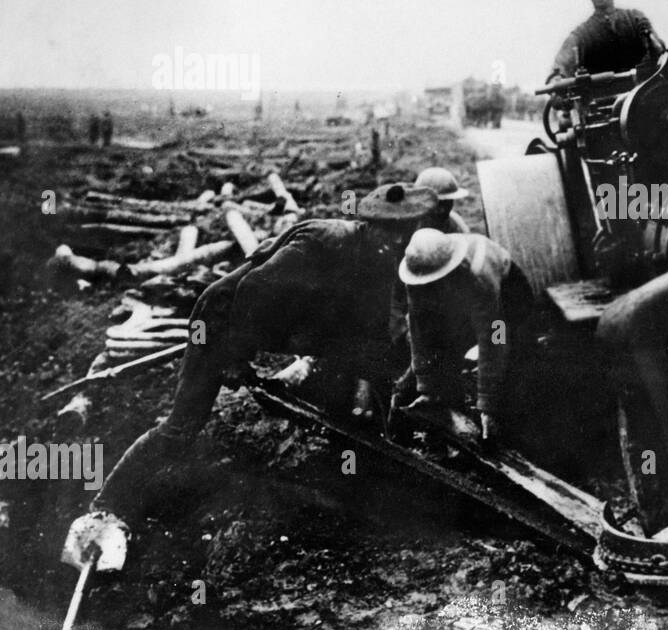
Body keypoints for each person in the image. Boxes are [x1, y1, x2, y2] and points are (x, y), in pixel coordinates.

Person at [64, 183, 440, 564]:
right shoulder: (323, 242)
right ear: (368, 224)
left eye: (404, 236)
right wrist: (235, 356)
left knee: (353, 372)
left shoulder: (379, 260)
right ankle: (104, 508)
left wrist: (375, 399)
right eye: (390, 234)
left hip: (285, 326)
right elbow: (254, 290)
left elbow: (372, 333)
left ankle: (350, 470)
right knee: (182, 427)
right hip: (221, 321)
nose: (396, 244)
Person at [392, 229, 534, 444]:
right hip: (459, 291)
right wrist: (427, 387)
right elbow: (420, 332)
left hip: (508, 291)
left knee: (513, 355)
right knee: (445, 346)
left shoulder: (478, 276)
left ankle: (509, 422)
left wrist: (487, 405)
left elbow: (494, 340)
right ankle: (450, 413)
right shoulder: (416, 276)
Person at [549, 0, 666, 80]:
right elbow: (560, 67)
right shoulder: (580, 35)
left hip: (642, 92)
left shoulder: (636, 19)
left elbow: (659, 52)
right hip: (604, 97)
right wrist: (556, 77)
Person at [414, 166, 472, 234]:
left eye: (447, 203)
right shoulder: (409, 226)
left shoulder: (456, 223)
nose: (443, 210)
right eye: (437, 204)